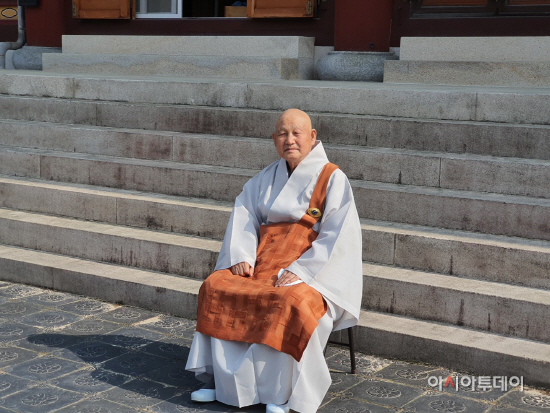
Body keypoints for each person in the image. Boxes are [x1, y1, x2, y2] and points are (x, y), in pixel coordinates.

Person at [185, 108, 363, 413]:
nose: (289, 140)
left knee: (290, 300)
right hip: (263, 259)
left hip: (308, 264)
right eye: (282, 133)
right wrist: (240, 255)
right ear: (274, 139)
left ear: (312, 137)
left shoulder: (333, 178)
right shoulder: (266, 177)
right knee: (216, 286)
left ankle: (281, 395)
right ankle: (223, 383)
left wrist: (303, 271)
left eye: (296, 133)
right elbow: (244, 215)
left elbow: (339, 235)